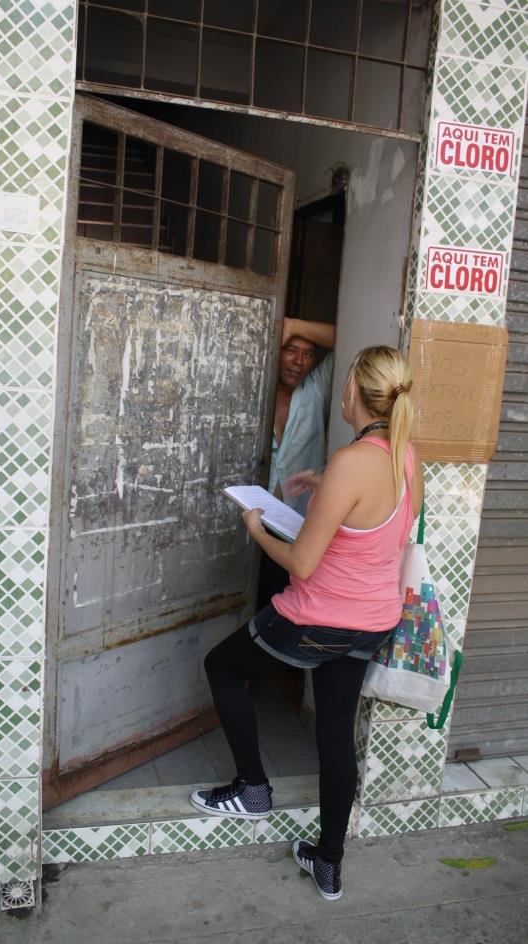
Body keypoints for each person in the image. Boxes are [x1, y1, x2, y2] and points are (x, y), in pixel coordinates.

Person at [191, 346, 423, 902]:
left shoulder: (353, 461)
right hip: (372, 621)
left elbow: (300, 563)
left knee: (222, 668)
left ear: (354, 393)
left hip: (318, 619)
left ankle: (252, 787)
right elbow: (369, 517)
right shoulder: (406, 454)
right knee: (335, 735)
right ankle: (328, 862)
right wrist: (322, 482)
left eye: (344, 382)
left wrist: (256, 525)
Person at [257, 317, 335, 608]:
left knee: (281, 602)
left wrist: (290, 326)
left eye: (308, 353)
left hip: (297, 529)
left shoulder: (315, 391)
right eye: (291, 350)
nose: (299, 361)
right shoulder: (255, 392)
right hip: (252, 522)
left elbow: (343, 335)